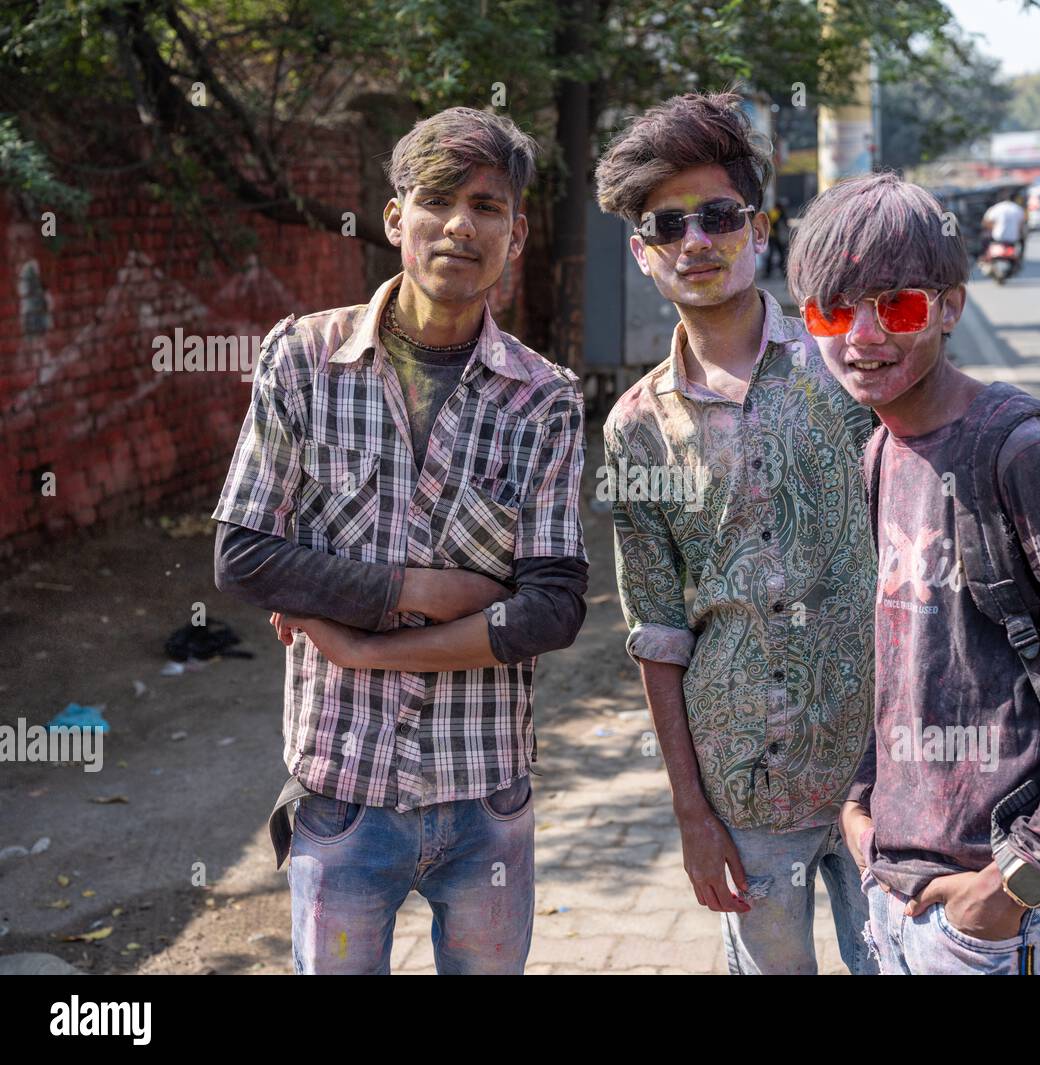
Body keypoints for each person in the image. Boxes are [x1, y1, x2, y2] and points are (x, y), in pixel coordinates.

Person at [211, 107, 588, 974]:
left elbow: (556, 608)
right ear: (395, 219)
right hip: (343, 789)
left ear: (516, 233)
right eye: (437, 199)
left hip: (486, 792)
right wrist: (417, 589)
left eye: (487, 205)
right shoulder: (302, 358)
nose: (461, 224)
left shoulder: (545, 398)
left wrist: (360, 642)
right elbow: (242, 555)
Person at [786, 172, 1040, 975]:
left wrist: (1011, 888)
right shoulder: (879, 451)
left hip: (991, 924)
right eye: (834, 310)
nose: (862, 337)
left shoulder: (1025, 456)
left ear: (951, 307)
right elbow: (908, 665)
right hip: (895, 900)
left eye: (895, 305)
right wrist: (862, 806)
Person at [595, 92, 878, 975]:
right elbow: (656, 627)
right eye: (667, 225)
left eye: (717, 215)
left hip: (888, 768)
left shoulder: (850, 368)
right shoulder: (634, 427)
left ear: (758, 228)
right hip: (744, 783)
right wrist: (690, 810)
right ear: (643, 255)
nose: (695, 242)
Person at [981, 192, 1027, 265]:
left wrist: (993, 228)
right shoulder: (1018, 209)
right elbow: (1021, 225)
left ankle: (984, 257)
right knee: (1023, 240)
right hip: (1013, 238)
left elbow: (985, 222)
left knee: (984, 238)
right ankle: (1019, 259)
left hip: (998, 237)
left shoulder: (997, 207)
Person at [765, 198, 790, 278]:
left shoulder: (770, 212)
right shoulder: (780, 213)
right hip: (777, 237)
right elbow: (785, 225)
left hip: (771, 236)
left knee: (771, 254)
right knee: (781, 254)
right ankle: (784, 273)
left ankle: (768, 273)